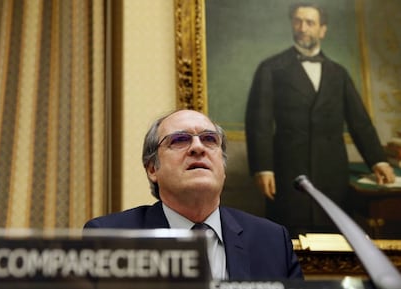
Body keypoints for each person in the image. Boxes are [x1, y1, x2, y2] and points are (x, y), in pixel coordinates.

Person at [84, 109, 303, 281]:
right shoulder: (110, 238)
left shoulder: (272, 241)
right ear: (152, 169)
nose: (198, 148)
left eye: (209, 139)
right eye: (179, 140)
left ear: (222, 168)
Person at [245, 2, 395, 238]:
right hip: (288, 173)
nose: (302, 27)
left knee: (335, 243)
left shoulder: (339, 73)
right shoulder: (271, 68)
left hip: (332, 174)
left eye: (310, 22)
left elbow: (360, 123)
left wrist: (378, 161)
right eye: (297, 21)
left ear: (322, 30)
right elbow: (258, 124)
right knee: (288, 241)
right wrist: (262, 168)